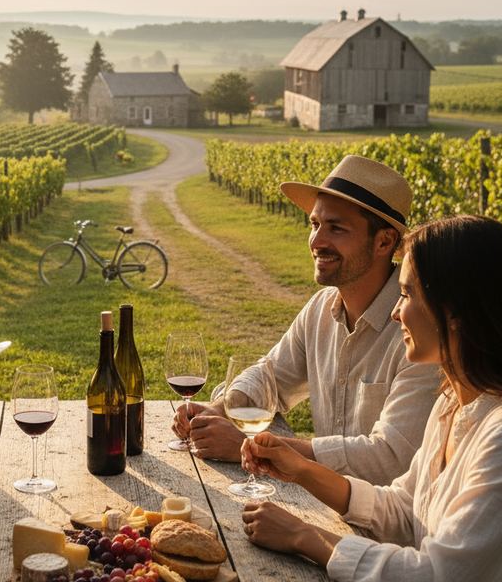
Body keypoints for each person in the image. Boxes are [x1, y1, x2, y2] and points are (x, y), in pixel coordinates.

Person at [239, 215, 502, 582]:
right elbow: (403, 511)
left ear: (455, 313)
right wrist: (301, 470)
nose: (396, 310)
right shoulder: (453, 404)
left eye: (408, 293)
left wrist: (307, 538)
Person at [174, 155, 441, 484]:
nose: (316, 242)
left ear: (384, 241)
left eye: (336, 228)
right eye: (315, 224)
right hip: (333, 505)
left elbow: (392, 459)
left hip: (391, 525)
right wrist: (222, 408)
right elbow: (270, 375)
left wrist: (256, 447)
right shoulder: (321, 309)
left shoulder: (420, 331)